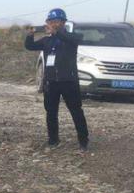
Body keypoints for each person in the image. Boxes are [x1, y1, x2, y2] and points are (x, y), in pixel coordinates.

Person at [26, 8, 90, 151]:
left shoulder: (71, 37)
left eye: (56, 21)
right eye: (50, 21)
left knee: (76, 111)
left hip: (69, 81)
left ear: (63, 22)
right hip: (51, 82)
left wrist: (57, 33)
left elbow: (73, 40)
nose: (53, 24)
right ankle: (53, 140)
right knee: (51, 112)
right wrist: (30, 35)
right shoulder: (47, 40)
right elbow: (29, 46)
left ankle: (83, 140)